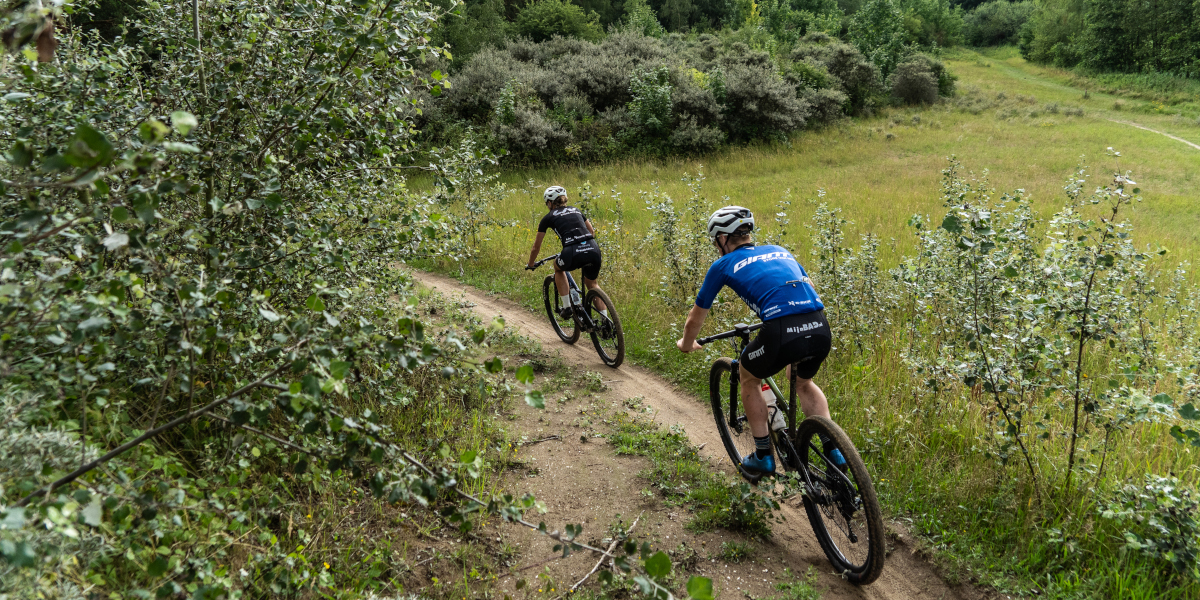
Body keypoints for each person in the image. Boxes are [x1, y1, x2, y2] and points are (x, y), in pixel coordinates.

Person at [675, 205, 840, 475]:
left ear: (722, 238)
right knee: (803, 381)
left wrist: (686, 343)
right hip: (820, 325)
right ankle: (835, 452)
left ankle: (764, 454)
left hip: (780, 330)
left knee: (748, 375)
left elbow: (696, 318)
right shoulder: (781, 250)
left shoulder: (722, 265)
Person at [526, 186, 609, 321]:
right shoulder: (576, 210)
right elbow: (592, 232)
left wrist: (531, 264)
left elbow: (536, 247)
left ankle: (567, 307)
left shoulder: (548, 217)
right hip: (593, 249)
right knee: (592, 284)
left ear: (549, 203)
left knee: (558, 268)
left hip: (571, 251)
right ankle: (605, 322)